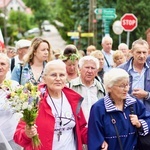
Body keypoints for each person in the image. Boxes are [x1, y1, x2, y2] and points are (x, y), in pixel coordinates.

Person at [13, 59, 87, 150]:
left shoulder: (74, 99)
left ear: (66, 77)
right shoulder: (34, 99)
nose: (58, 79)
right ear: (44, 78)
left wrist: (102, 138)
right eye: (53, 75)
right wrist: (27, 133)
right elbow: (18, 136)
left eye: (62, 75)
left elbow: (82, 130)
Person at [88, 68, 150, 150]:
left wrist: (139, 124)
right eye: (121, 86)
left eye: (127, 84)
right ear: (109, 87)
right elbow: (94, 136)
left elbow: (148, 119)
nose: (126, 89)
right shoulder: (98, 108)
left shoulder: (134, 103)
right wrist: (101, 143)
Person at [68, 55, 105, 123]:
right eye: (87, 67)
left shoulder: (102, 89)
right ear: (80, 69)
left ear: (96, 71)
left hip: (97, 128)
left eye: (93, 68)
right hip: (77, 128)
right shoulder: (70, 87)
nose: (90, 71)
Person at [118, 38, 150, 111]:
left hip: (148, 115)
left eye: (144, 52)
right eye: (138, 52)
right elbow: (113, 94)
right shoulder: (121, 70)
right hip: (126, 114)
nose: (142, 56)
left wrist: (146, 95)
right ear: (132, 52)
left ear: (148, 53)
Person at [0, 53, 22, 150]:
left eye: (2, 64)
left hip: (11, 137)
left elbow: (21, 110)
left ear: (8, 67)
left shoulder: (14, 86)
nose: (0, 67)